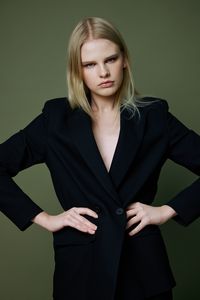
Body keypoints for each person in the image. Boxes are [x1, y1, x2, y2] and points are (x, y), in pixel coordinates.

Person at [0, 16, 200, 300]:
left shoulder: (154, 117)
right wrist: (44, 219)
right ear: (77, 71)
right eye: (90, 64)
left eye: (111, 59)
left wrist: (167, 210)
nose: (103, 72)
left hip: (143, 269)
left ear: (125, 60)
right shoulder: (55, 120)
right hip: (81, 267)